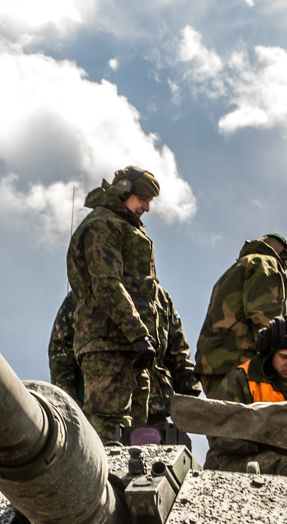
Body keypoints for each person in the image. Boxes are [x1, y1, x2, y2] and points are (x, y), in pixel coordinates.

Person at [64, 166, 163, 444]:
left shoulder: (125, 227)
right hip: (108, 345)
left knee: (141, 440)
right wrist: (139, 334)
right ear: (123, 191)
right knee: (110, 436)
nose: (146, 207)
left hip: (129, 348)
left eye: (150, 201)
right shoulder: (102, 225)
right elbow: (107, 285)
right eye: (142, 198)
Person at [203, 315, 287, 474]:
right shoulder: (243, 378)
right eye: (284, 357)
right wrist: (266, 440)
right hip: (242, 459)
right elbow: (218, 433)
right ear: (271, 353)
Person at [194, 234, 287, 393]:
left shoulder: (233, 271)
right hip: (241, 366)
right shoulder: (265, 262)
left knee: (223, 417)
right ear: (282, 251)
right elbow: (265, 317)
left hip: (214, 367)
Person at [141, 283, 202, 442]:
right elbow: (67, 357)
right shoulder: (91, 292)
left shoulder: (160, 298)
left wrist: (190, 396)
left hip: (155, 410)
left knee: (157, 464)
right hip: (106, 411)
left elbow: (178, 354)